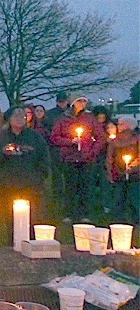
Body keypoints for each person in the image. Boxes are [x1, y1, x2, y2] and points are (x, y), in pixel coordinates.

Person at [0, 106, 51, 236]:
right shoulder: (1, 137)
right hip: (7, 184)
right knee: (10, 217)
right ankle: (13, 242)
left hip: (30, 184)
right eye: (16, 116)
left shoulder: (34, 136)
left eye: (23, 116)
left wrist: (39, 176)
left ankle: (31, 241)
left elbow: (44, 157)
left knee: (32, 216)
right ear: (9, 119)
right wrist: (2, 152)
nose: (20, 119)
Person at [50, 93, 106, 223]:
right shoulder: (63, 119)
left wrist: (92, 151)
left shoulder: (89, 118)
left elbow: (101, 137)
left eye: (84, 101)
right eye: (79, 101)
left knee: (85, 186)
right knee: (70, 186)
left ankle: (84, 213)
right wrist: (70, 141)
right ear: (73, 102)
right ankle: (69, 213)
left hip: (86, 158)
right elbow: (55, 137)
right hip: (69, 158)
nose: (82, 104)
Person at [106, 116, 139, 224]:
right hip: (119, 173)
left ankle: (136, 218)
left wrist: (133, 166)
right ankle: (119, 219)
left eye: (121, 124)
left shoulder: (136, 139)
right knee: (119, 197)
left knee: (135, 197)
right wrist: (110, 173)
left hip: (135, 175)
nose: (118, 126)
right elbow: (110, 157)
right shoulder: (115, 141)